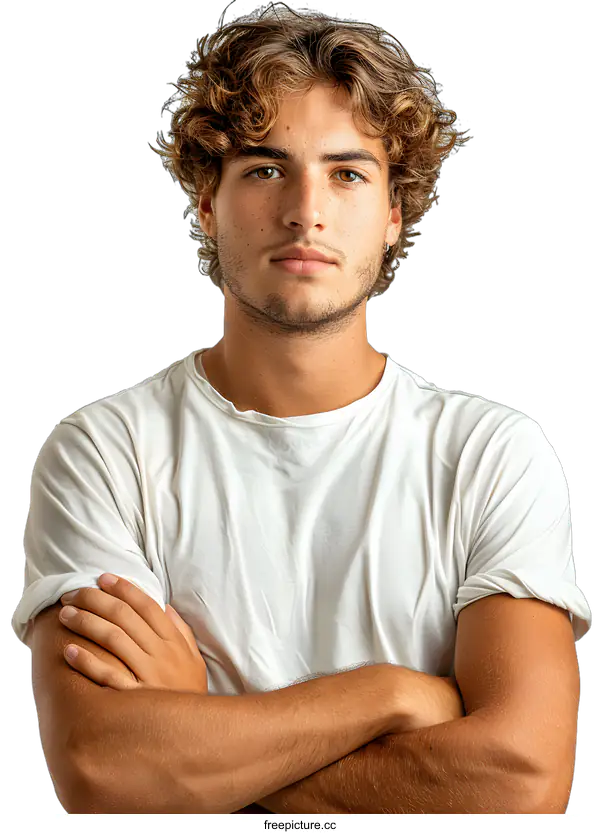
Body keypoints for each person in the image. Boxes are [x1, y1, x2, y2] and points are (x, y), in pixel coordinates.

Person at [12, 5, 590, 815]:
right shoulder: (104, 455)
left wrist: (203, 736)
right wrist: (391, 695)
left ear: (395, 215)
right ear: (207, 203)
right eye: (264, 169)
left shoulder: (491, 455)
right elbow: (104, 775)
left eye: (348, 172)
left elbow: (522, 781)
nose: (305, 210)